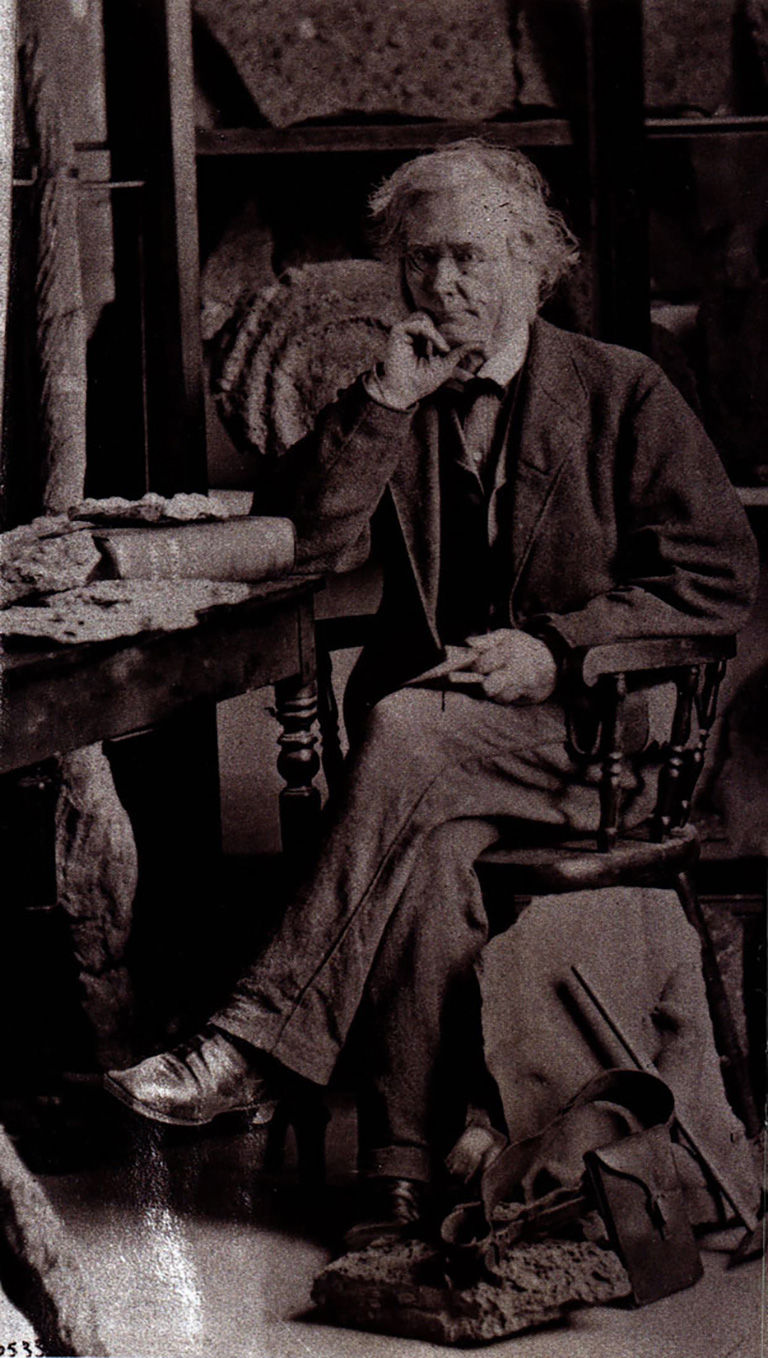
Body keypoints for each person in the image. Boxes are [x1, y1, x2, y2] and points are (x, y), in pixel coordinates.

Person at [105, 140, 758, 1248]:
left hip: (588, 743)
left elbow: (715, 577)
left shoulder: (621, 391)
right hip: (430, 774)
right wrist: (381, 405)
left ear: (531, 263)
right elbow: (304, 541)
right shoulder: (393, 393)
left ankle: (251, 1047)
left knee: (406, 721)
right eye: (416, 262)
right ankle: (398, 1181)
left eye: (463, 258)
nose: (438, 286)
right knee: (432, 847)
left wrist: (555, 650)